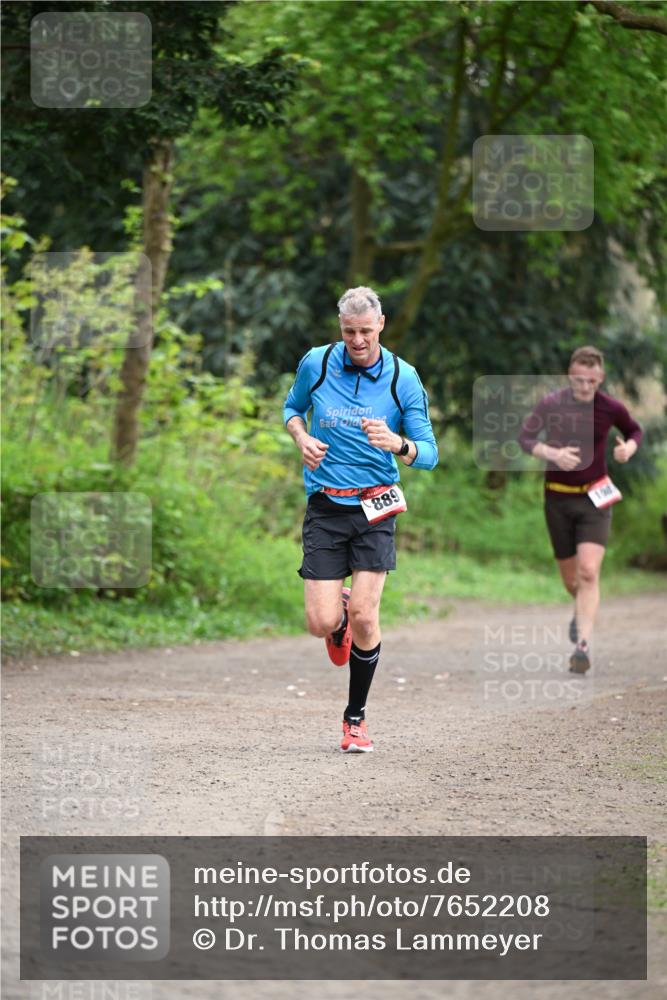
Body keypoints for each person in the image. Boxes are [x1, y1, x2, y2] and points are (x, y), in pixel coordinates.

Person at [283, 286, 438, 752]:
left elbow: (429, 453)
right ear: (340, 328)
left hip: (376, 506)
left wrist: (398, 444)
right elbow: (292, 409)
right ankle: (338, 615)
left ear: (381, 325)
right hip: (327, 506)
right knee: (319, 622)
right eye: (349, 331)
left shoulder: (402, 378)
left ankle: (355, 720)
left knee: (367, 617)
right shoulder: (319, 361)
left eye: (366, 331)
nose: (357, 340)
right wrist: (300, 437)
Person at [518, 346, 642, 673]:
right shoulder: (551, 404)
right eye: (577, 380)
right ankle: (580, 609)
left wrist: (627, 448)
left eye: (590, 381)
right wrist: (552, 453)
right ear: (569, 377)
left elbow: (634, 430)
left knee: (589, 572)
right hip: (557, 498)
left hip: (594, 499)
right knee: (571, 578)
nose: (583, 387)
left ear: (599, 379)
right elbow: (525, 438)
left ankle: (582, 646)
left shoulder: (610, 408)